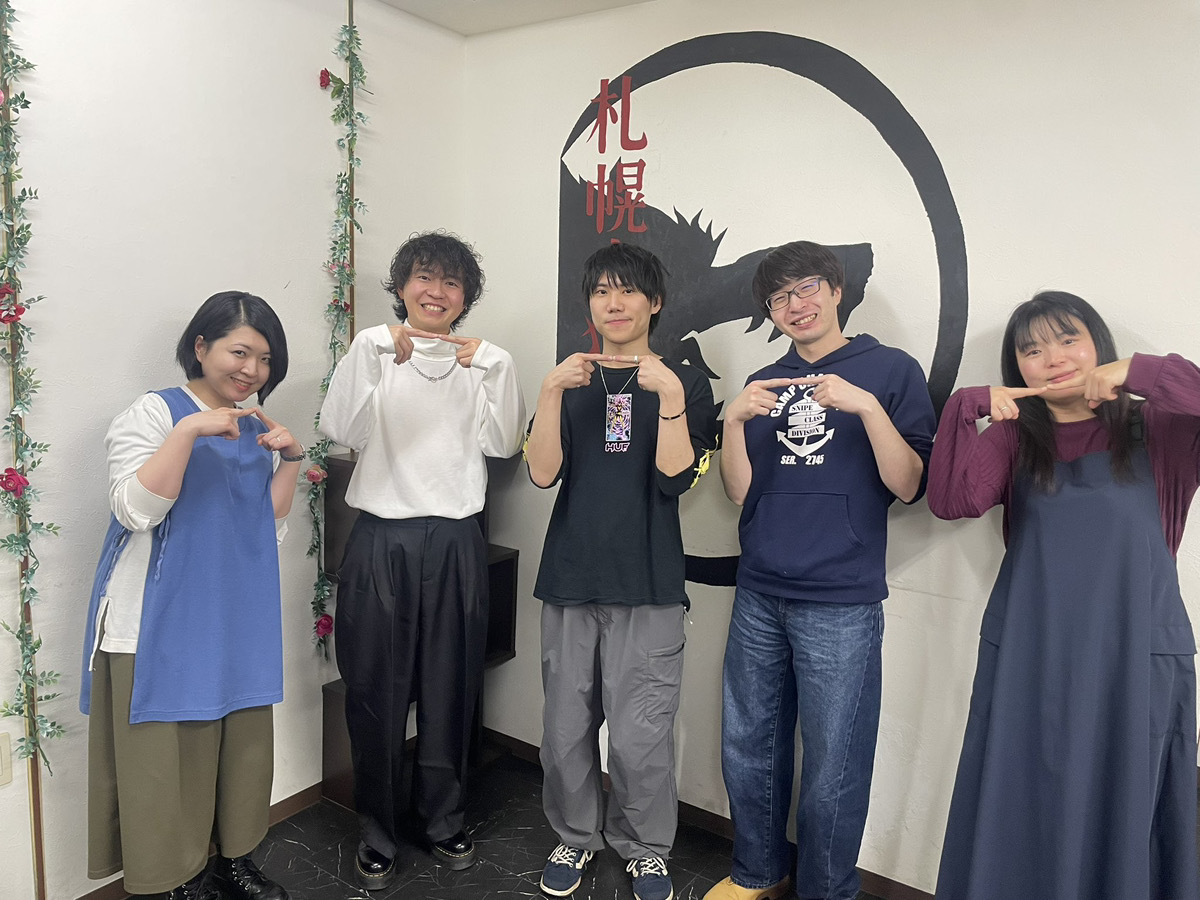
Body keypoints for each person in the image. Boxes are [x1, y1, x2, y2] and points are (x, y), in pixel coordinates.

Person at [928, 291, 1199, 899]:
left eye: (1068, 339)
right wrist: (967, 407)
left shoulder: (1158, 427)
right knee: (1022, 800)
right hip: (1033, 655)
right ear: (1017, 368)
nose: (1052, 358)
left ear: (1099, 344)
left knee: (1128, 805)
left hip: (1135, 657)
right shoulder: (1015, 437)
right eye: (1032, 350)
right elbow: (952, 500)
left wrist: (1142, 372)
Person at [707, 240, 935, 900]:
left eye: (806, 287)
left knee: (836, 761)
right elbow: (739, 492)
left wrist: (865, 407)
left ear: (836, 290)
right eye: (779, 297)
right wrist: (732, 423)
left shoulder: (889, 370)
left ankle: (827, 889)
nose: (795, 304)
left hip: (841, 597)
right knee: (749, 745)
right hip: (759, 589)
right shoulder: (764, 381)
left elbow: (910, 484)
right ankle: (757, 872)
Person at [319, 231, 526, 890]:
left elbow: (503, 443)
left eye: (451, 282)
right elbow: (338, 429)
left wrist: (496, 367)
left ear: (465, 297)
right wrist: (369, 352)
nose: (436, 292)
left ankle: (444, 820)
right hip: (382, 538)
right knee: (374, 691)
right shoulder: (373, 351)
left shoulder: (482, 363)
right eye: (424, 278)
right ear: (403, 287)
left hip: (456, 539)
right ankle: (377, 831)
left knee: (451, 685)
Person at [81, 291, 301, 900]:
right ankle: (177, 879)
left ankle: (234, 860)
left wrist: (290, 461)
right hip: (157, 621)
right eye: (240, 352)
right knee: (165, 762)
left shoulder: (253, 424)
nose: (252, 370)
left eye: (265, 359)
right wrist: (187, 431)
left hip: (234, 617)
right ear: (201, 347)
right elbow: (136, 510)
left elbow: (264, 529)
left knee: (242, 750)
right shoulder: (154, 413)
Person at [525, 242, 718, 900]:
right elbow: (542, 473)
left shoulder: (683, 382)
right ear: (590, 304)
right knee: (563, 730)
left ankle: (645, 848)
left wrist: (669, 397)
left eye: (628, 290)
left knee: (642, 734)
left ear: (653, 302)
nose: (614, 302)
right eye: (602, 290)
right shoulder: (570, 381)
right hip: (570, 579)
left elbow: (675, 478)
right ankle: (575, 836)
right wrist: (550, 390)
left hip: (649, 582)